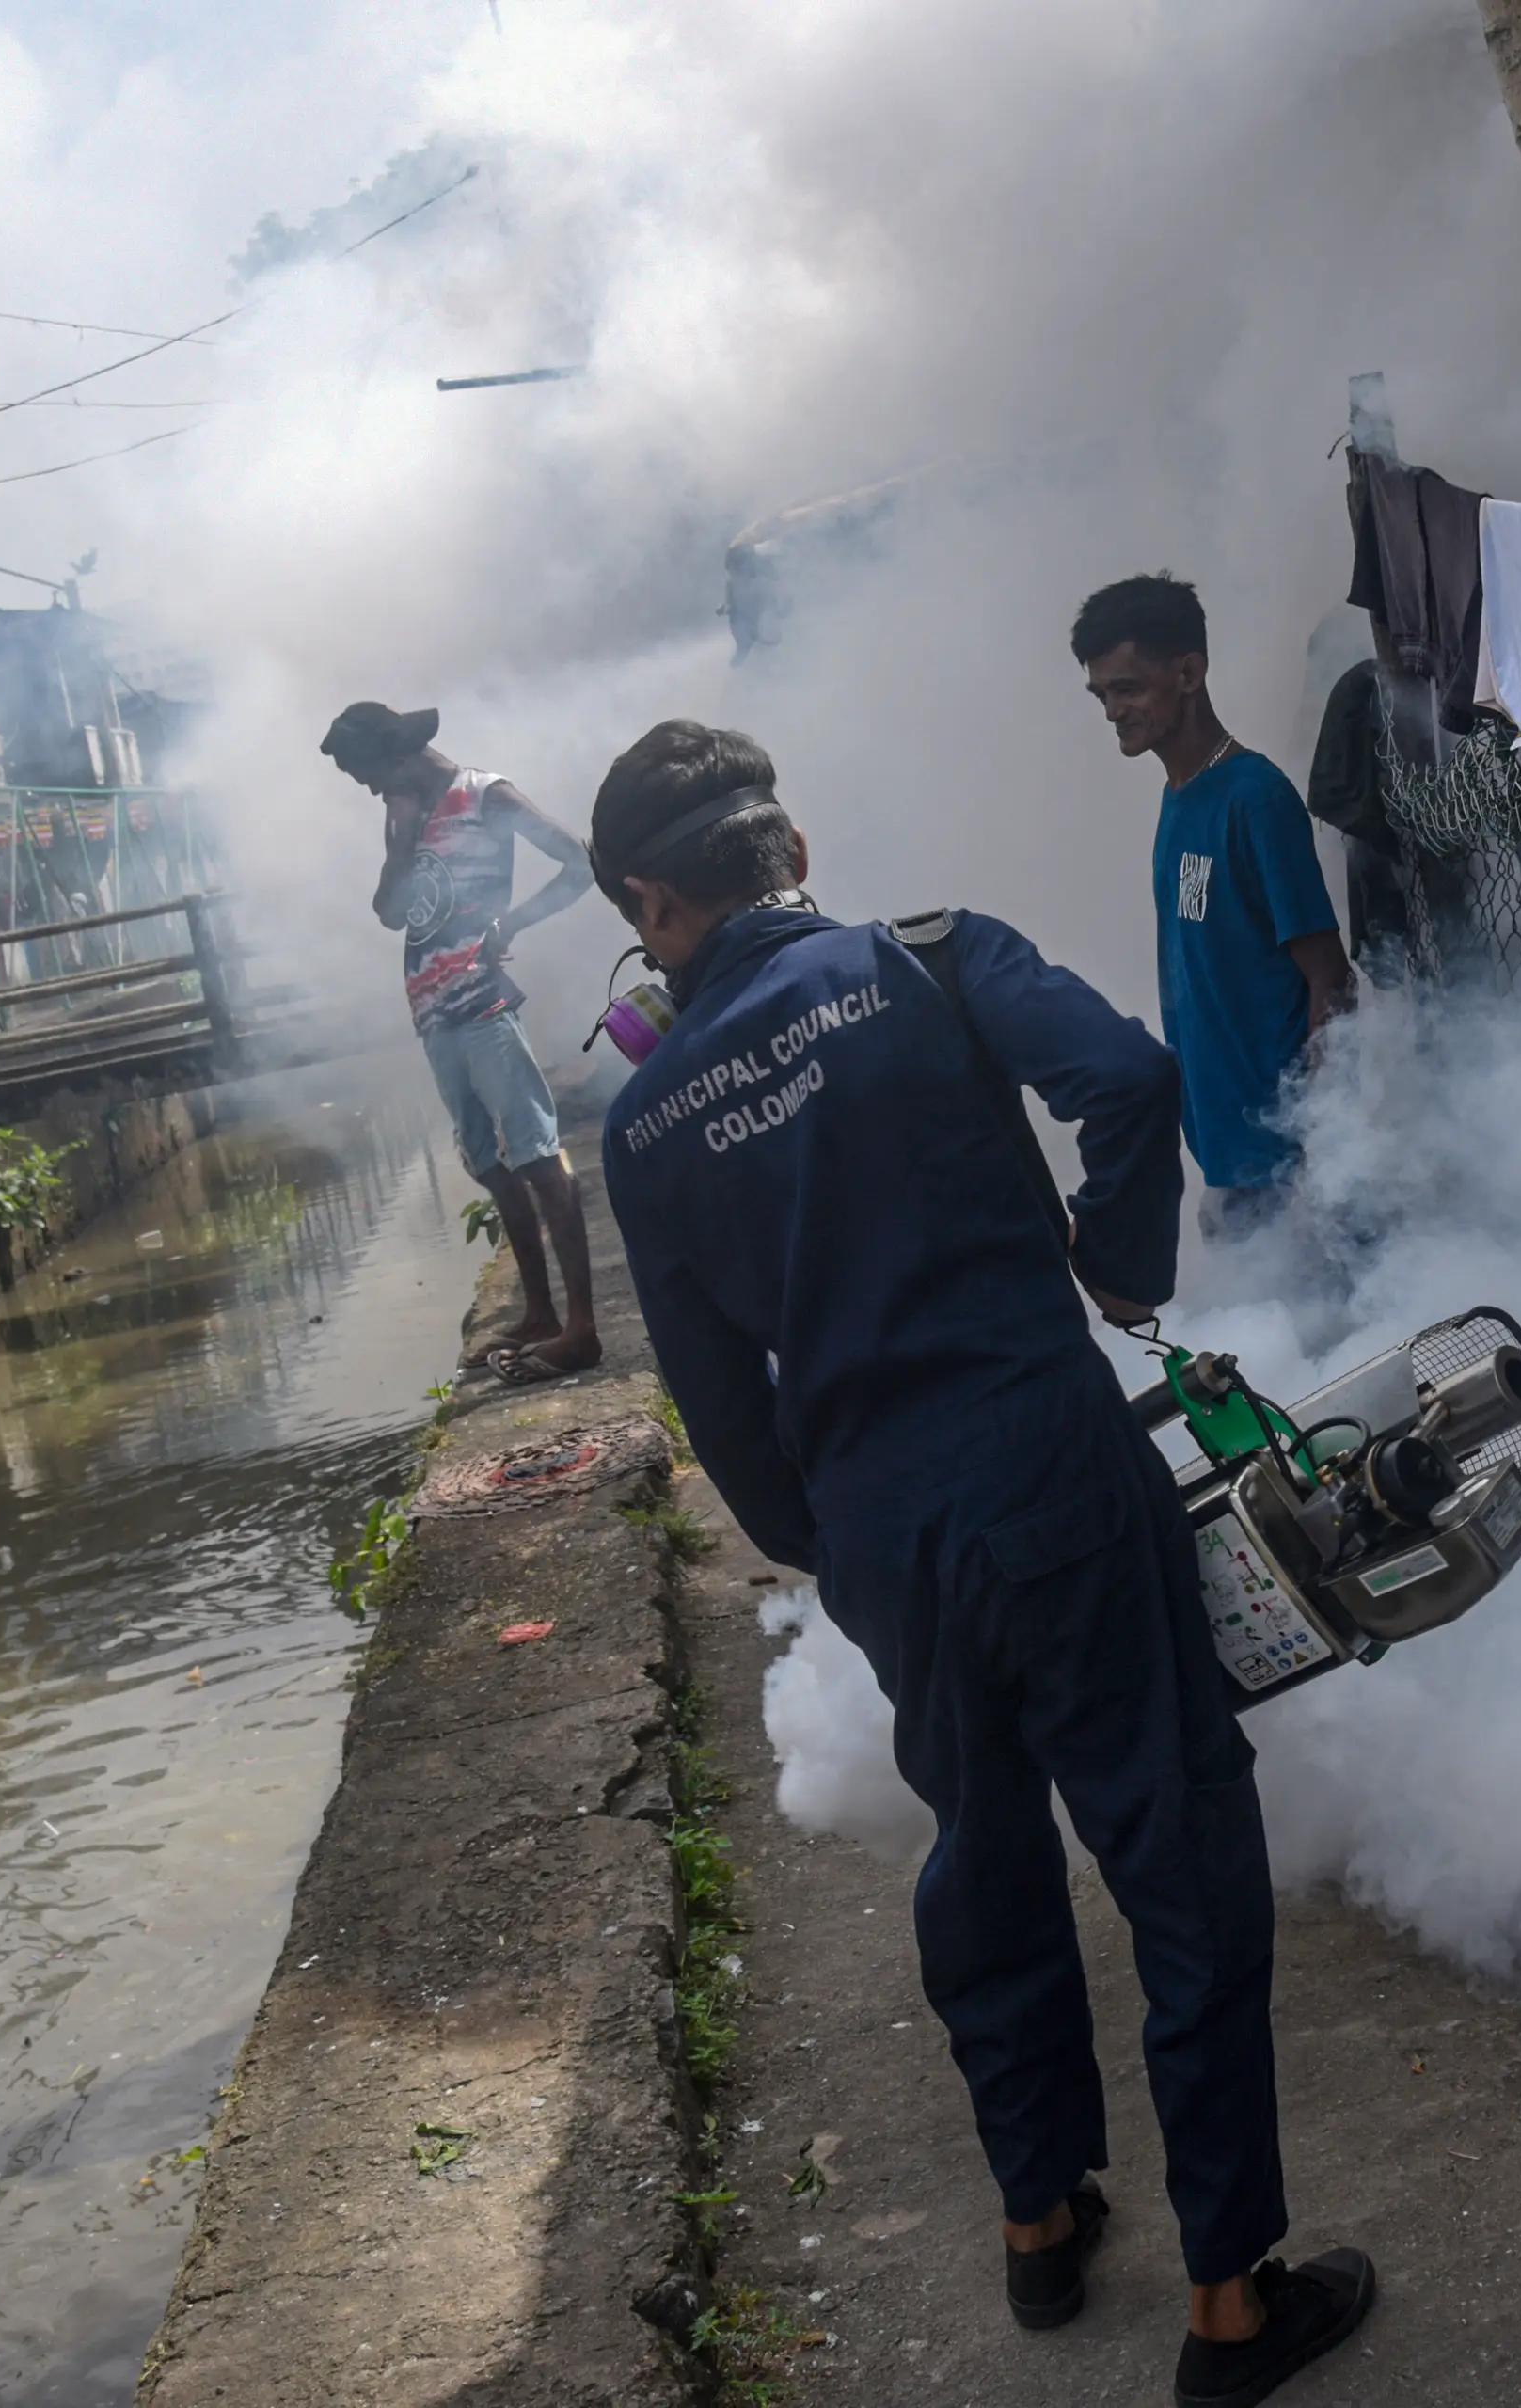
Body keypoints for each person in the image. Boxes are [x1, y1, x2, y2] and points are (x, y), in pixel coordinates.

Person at [590, 719, 1377, 2406]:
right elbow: (1131, 1080)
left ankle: (1040, 2218)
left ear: (653, 904)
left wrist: (834, 1538)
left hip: (883, 1524)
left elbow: (720, 1404)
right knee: (1177, 1854)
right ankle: (1229, 2307)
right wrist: (1120, 1267)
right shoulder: (930, 962)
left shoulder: (644, 1127)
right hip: (1047, 1463)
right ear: (791, 854)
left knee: (986, 1849)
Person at [322, 700, 605, 1380]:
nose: (371, 791)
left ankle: (583, 1328)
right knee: (489, 1163)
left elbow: (580, 861)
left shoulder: (485, 797)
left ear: (398, 755)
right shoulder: (407, 816)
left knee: (536, 1156)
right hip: (433, 1012)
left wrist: (513, 923)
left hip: (482, 1004)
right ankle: (539, 1314)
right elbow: (389, 915)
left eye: (370, 776)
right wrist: (400, 843)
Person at [1072, 575, 1354, 1243]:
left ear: (1188, 674)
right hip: (1228, 1162)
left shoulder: (1256, 799)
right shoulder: (1178, 798)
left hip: (1287, 1167)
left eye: (1127, 688)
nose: (1112, 710)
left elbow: (1332, 981)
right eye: (1101, 694)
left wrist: (1322, 1150)